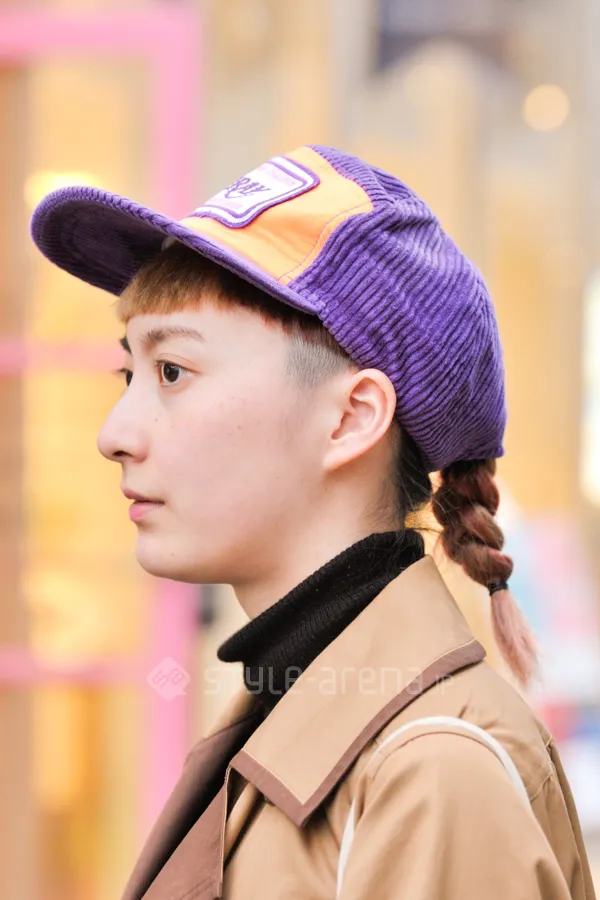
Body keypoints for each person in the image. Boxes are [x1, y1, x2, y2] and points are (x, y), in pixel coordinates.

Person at [31, 145, 596, 899]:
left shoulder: (431, 769)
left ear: (350, 418)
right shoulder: (292, 710)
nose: (114, 434)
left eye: (172, 372)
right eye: (128, 373)